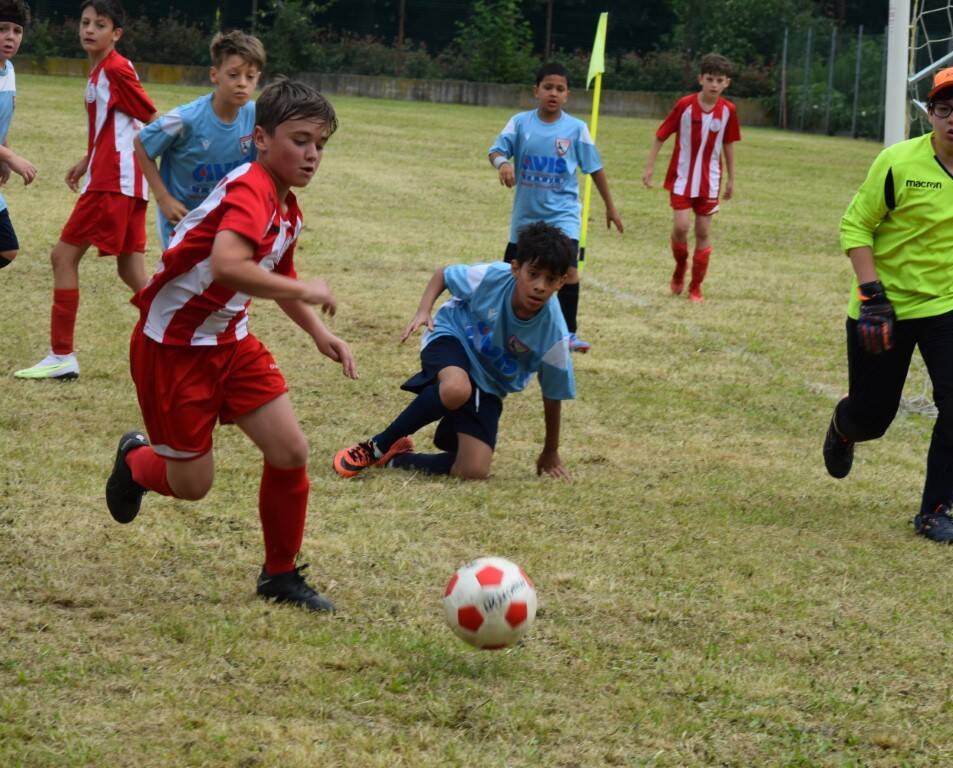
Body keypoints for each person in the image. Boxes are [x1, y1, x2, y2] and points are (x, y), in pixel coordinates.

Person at [104, 79, 352, 612]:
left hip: (230, 341)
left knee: (290, 451)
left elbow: (276, 269)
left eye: (320, 144)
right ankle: (136, 461)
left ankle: (280, 576)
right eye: (300, 140)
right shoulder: (250, 191)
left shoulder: (287, 208)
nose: (311, 155)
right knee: (192, 484)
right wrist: (306, 290)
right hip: (173, 349)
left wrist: (318, 332)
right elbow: (228, 265)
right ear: (260, 138)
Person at [822, 63, 953, 546]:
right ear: (930, 114)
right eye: (943, 109)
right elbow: (855, 227)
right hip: (885, 307)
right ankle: (843, 426)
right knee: (873, 418)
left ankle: (937, 511)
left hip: (952, 306)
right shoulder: (897, 162)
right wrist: (870, 293)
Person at [332, 221, 577, 482]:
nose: (540, 285)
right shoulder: (493, 276)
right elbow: (444, 275)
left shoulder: (554, 336)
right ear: (516, 269)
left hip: (490, 381)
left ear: (561, 282)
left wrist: (550, 450)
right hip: (453, 336)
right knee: (457, 388)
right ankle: (375, 446)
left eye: (550, 279)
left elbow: (553, 395)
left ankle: (394, 459)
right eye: (534, 274)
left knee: (473, 471)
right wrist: (423, 310)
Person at [14, 0, 155, 380]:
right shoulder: (99, 70)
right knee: (131, 270)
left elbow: (152, 119)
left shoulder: (115, 69)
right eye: (85, 22)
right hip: (120, 180)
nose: (89, 29)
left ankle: (62, 355)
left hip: (113, 184)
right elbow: (118, 126)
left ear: (117, 34)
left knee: (63, 258)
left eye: (100, 24)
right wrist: (86, 159)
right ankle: (180, 337)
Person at [488, 62, 623, 354]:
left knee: (569, 271)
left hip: (563, 215)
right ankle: (504, 325)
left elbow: (595, 168)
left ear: (567, 95)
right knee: (513, 271)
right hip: (526, 217)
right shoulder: (520, 123)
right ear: (536, 91)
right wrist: (504, 164)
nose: (553, 93)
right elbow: (496, 150)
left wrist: (610, 207)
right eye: (548, 87)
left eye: (559, 89)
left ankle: (568, 333)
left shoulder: (576, 129)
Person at [135, 29, 264, 250]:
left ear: (258, 78)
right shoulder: (186, 119)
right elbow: (141, 143)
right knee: (183, 283)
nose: (242, 83)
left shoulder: (256, 116)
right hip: (183, 224)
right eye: (233, 75)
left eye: (249, 77)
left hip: (228, 222)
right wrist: (163, 198)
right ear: (214, 75)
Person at [642, 52, 741, 302]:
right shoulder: (685, 105)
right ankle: (679, 268)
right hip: (682, 178)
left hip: (710, 181)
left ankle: (695, 287)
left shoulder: (728, 110)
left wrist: (731, 178)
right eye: (710, 79)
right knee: (681, 227)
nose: (714, 85)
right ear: (700, 79)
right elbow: (660, 135)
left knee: (703, 231)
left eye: (720, 80)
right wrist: (649, 167)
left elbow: (729, 144)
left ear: (726, 83)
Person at [0, 0, 37, 273]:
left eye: (17, 30)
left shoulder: (9, 71)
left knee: (6, 248)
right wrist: (11, 157)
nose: (10, 37)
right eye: (2, 29)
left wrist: (3, 150)